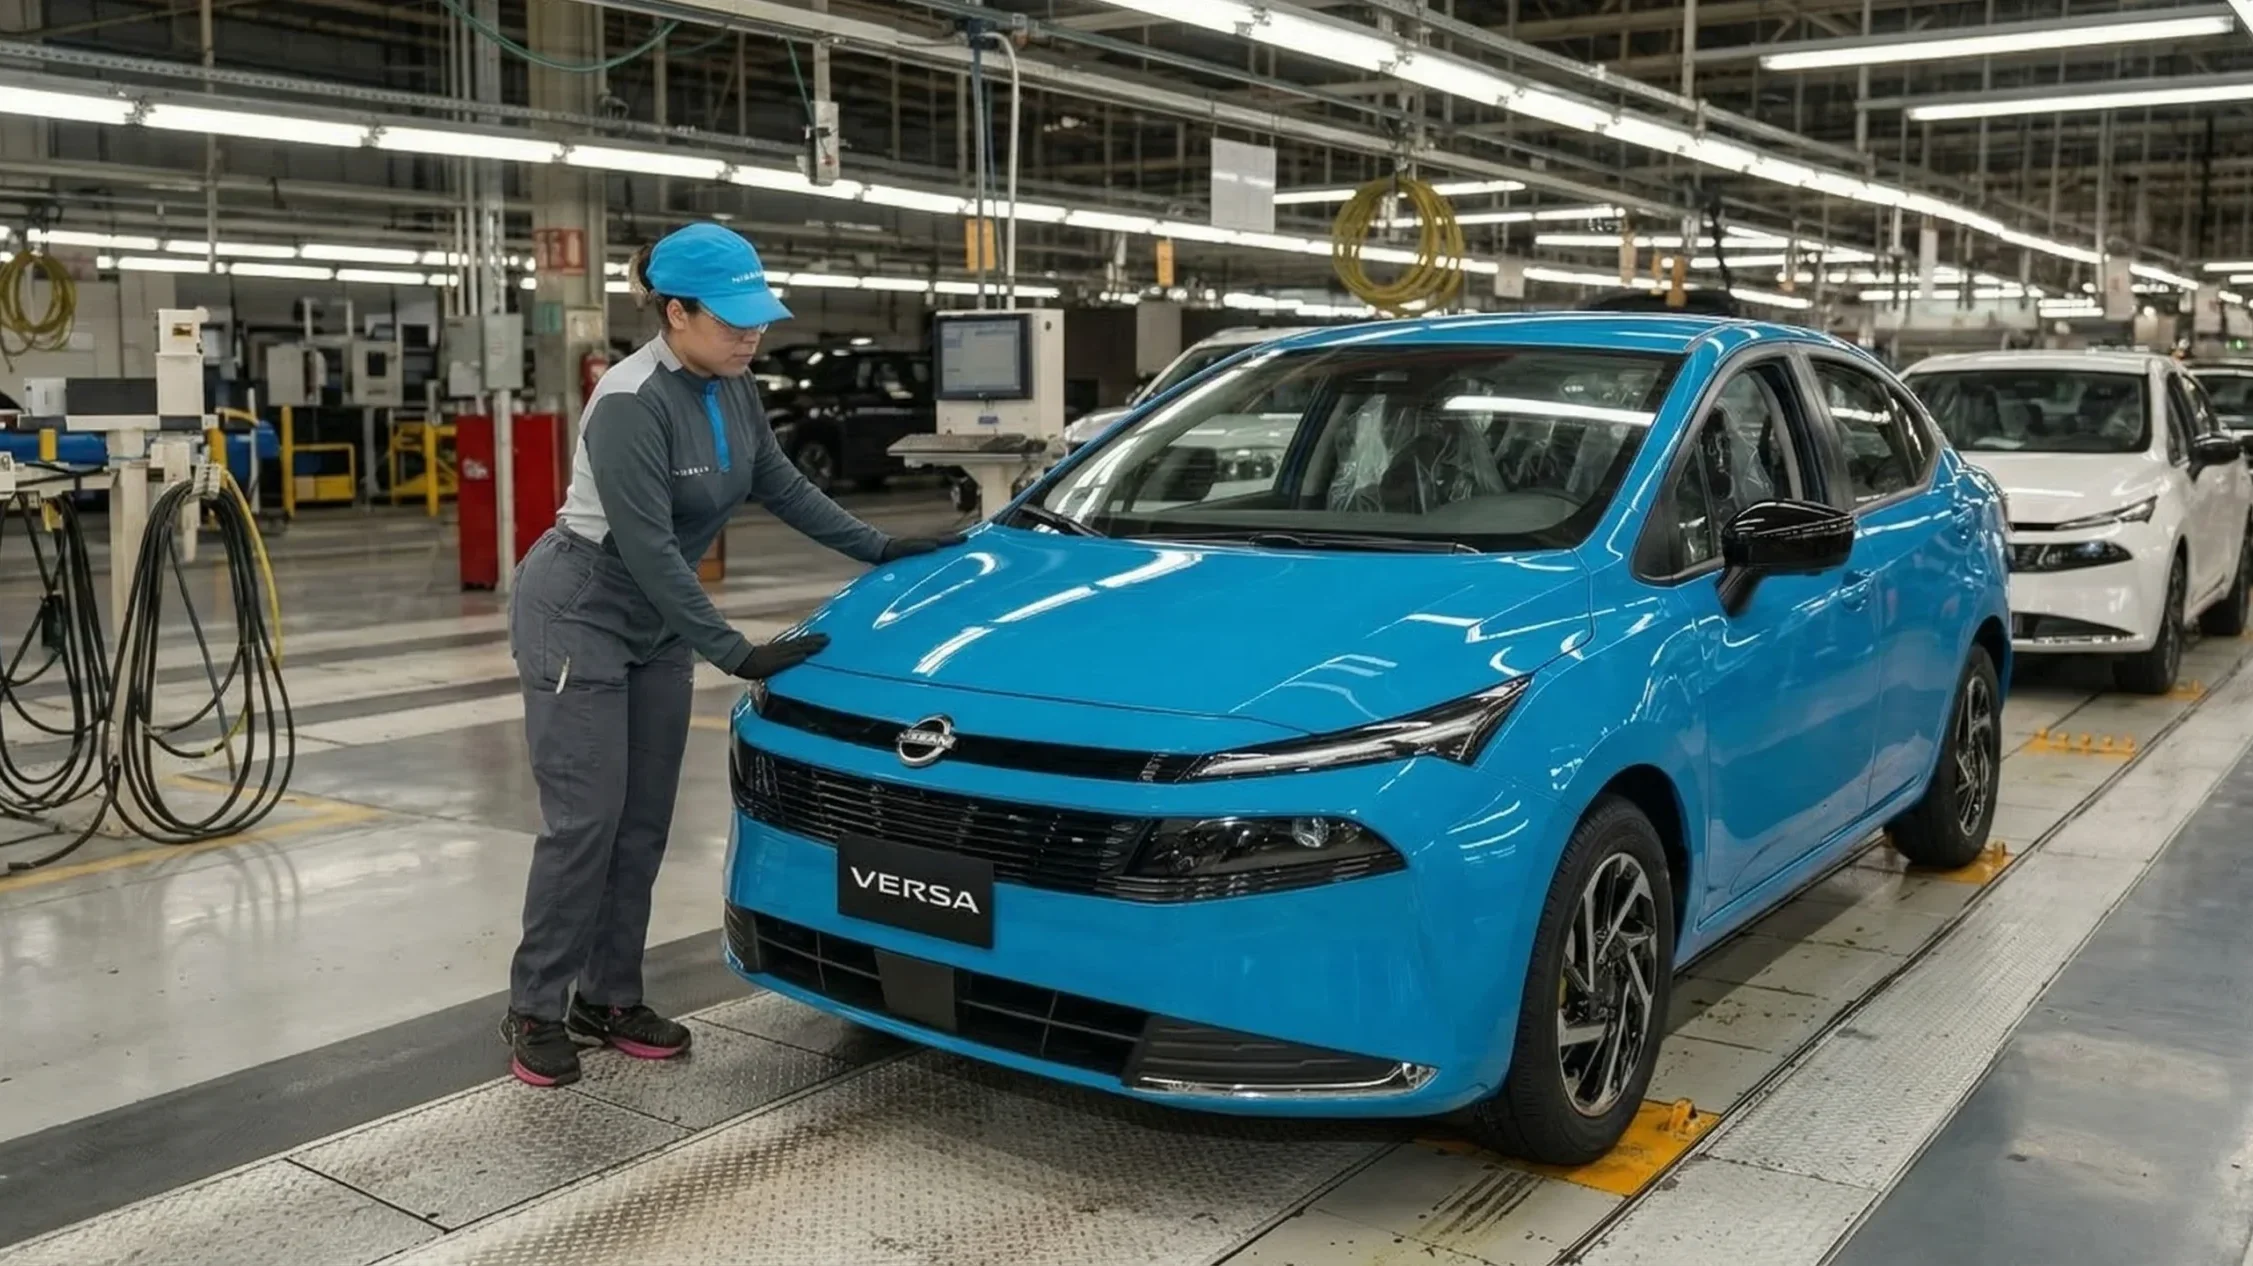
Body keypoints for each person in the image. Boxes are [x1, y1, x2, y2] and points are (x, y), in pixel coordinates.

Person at [498, 221, 960, 1086]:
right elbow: (646, 547)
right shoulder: (630, 401)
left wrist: (881, 549)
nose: (751, 334)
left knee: (641, 825)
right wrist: (733, 651)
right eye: (732, 320)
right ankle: (532, 1007)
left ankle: (608, 995)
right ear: (674, 312)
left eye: (757, 319)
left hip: (656, 624)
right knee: (585, 822)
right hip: (582, 608)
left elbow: (776, 481)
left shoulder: (732, 383)